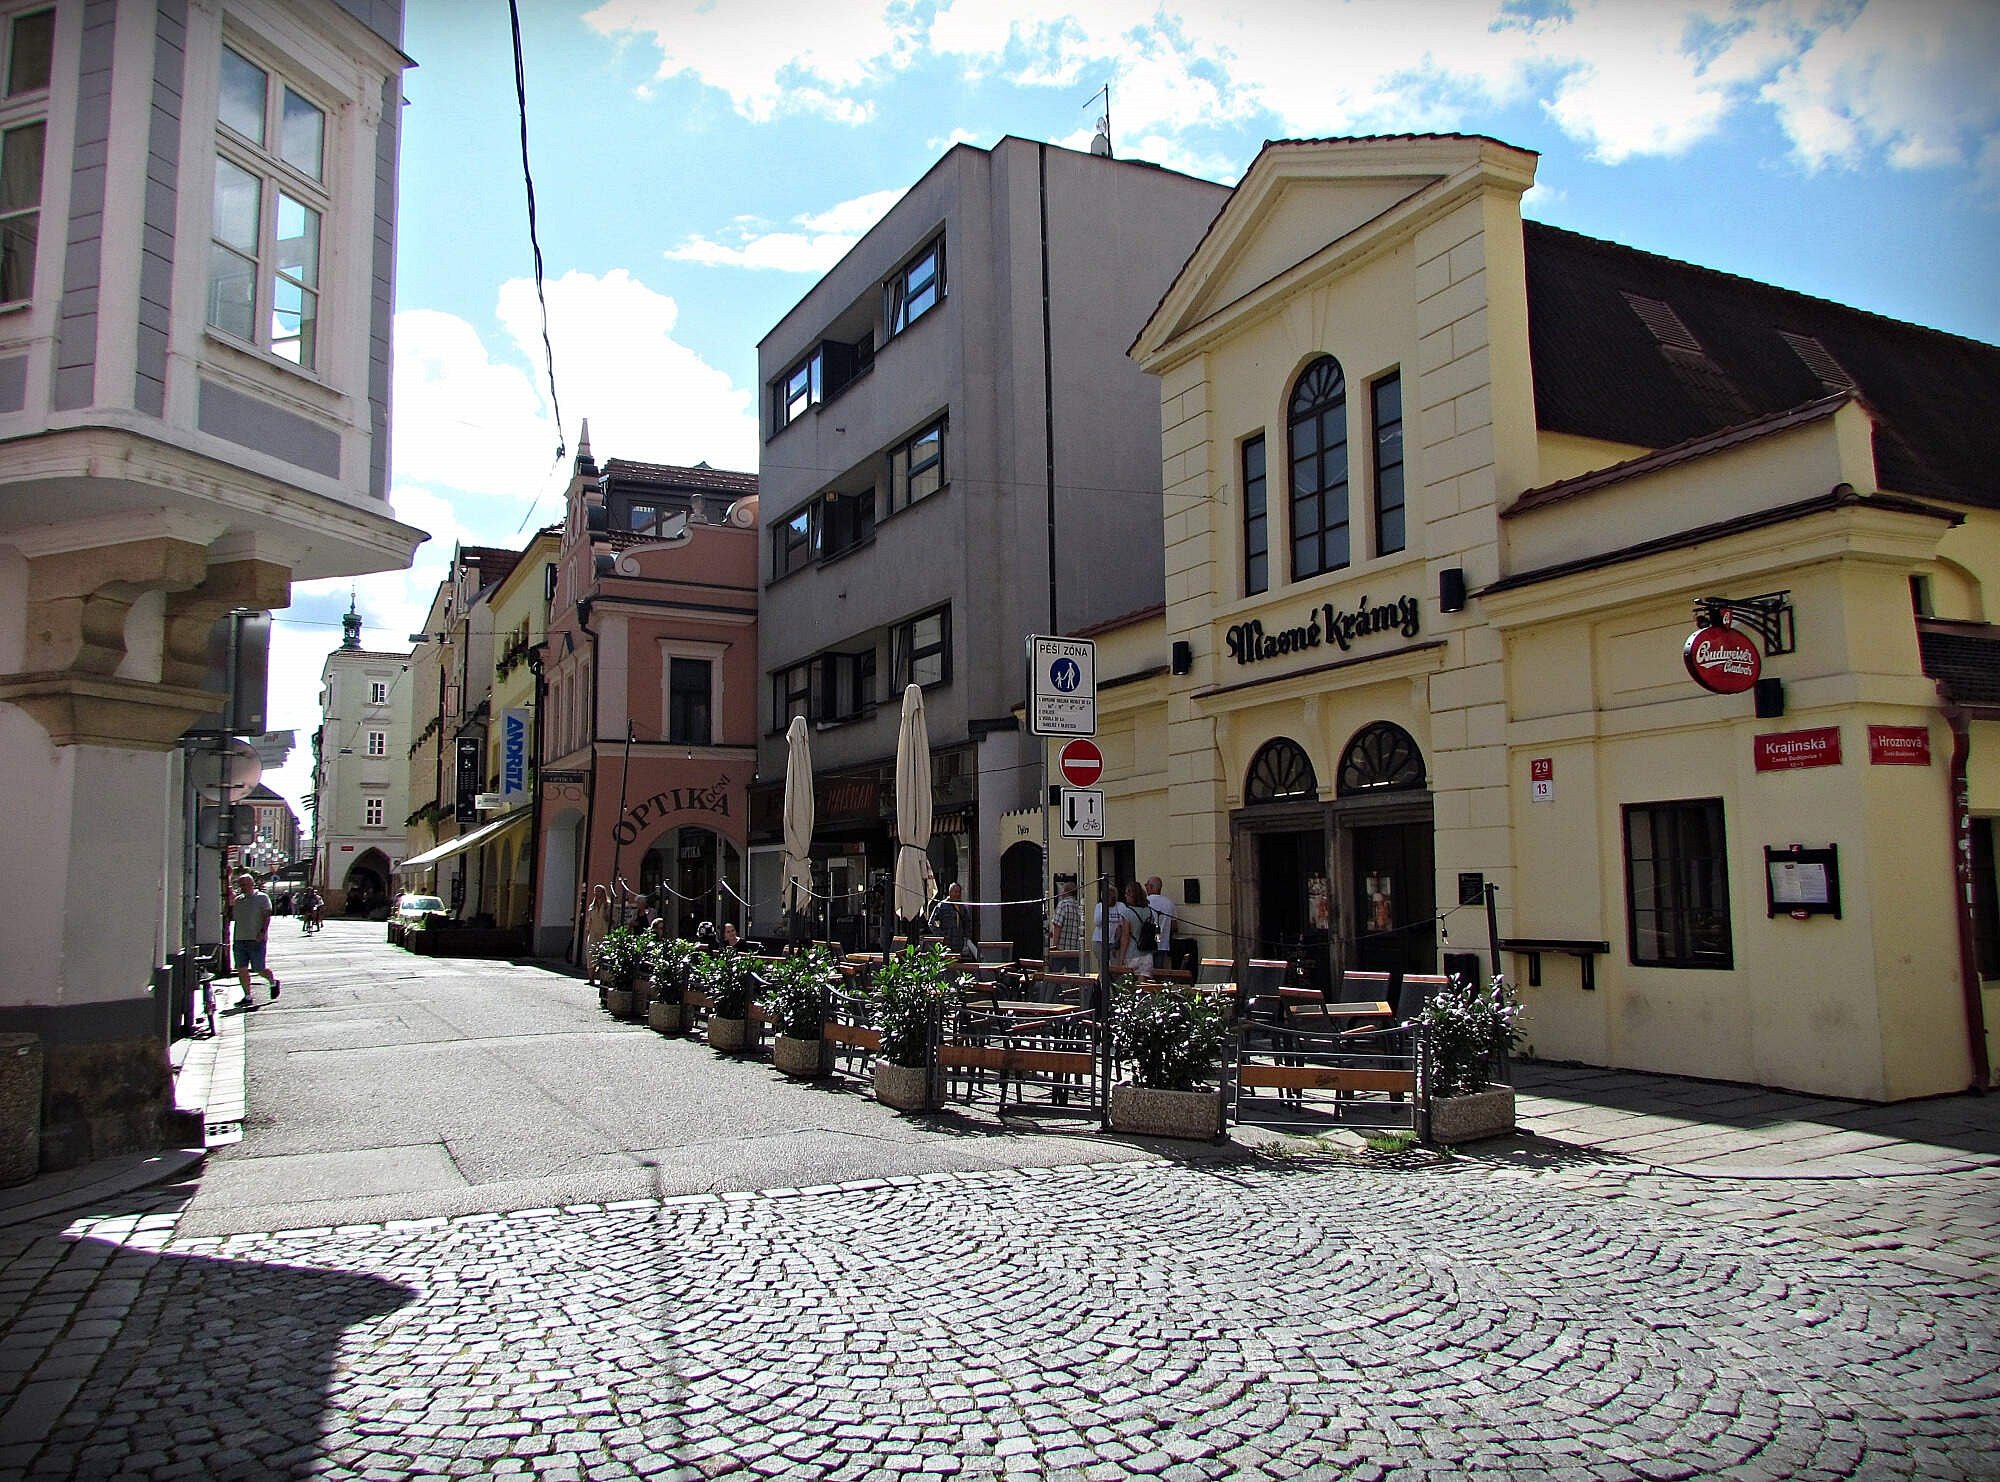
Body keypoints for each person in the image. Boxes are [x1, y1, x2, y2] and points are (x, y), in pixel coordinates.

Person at [226, 872, 280, 1010]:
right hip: (239, 939)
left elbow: (267, 916)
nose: (242, 887)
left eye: (244, 884)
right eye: (240, 885)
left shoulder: (262, 897)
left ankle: (273, 981)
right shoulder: (238, 900)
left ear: (252, 884)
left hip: (256, 939)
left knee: (259, 968)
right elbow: (232, 914)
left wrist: (263, 932)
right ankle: (248, 996)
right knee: (241, 968)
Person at [1120, 881, 1155, 974]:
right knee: (1143, 982)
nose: (1125, 896)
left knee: (1130, 982)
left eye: (1127, 893)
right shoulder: (1149, 911)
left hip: (1132, 954)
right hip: (1147, 954)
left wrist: (1121, 957)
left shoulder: (1127, 912)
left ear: (1132, 896)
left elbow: (1125, 937)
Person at [1047, 879, 1083, 970]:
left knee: (1054, 974)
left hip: (1061, 949)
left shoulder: (1063, 905)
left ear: (1066, 892)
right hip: (1074, 950)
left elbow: (1057, 926)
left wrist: (1054, 947)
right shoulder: (1078, 906)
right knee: (1074, 975)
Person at [1144, 876, 1177, 970]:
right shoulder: (1169, 903)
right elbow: (1174, 926)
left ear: (1151, 887)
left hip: (1147, 944)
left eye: (1146, 885)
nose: (1145, 887)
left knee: (1146, 971)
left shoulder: (1145, 902)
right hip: (1163, 944)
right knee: (1159, 971)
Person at [930, 882, 972, 957]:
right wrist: (941, 936)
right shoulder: (942, 905)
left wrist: (966, 938)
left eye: (959, 892)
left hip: (959, 943)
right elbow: (931, 923)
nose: (957, 894)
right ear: (950, 892)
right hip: (946, 942)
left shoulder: (962, 907)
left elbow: (967, 923)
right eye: (955, 892)